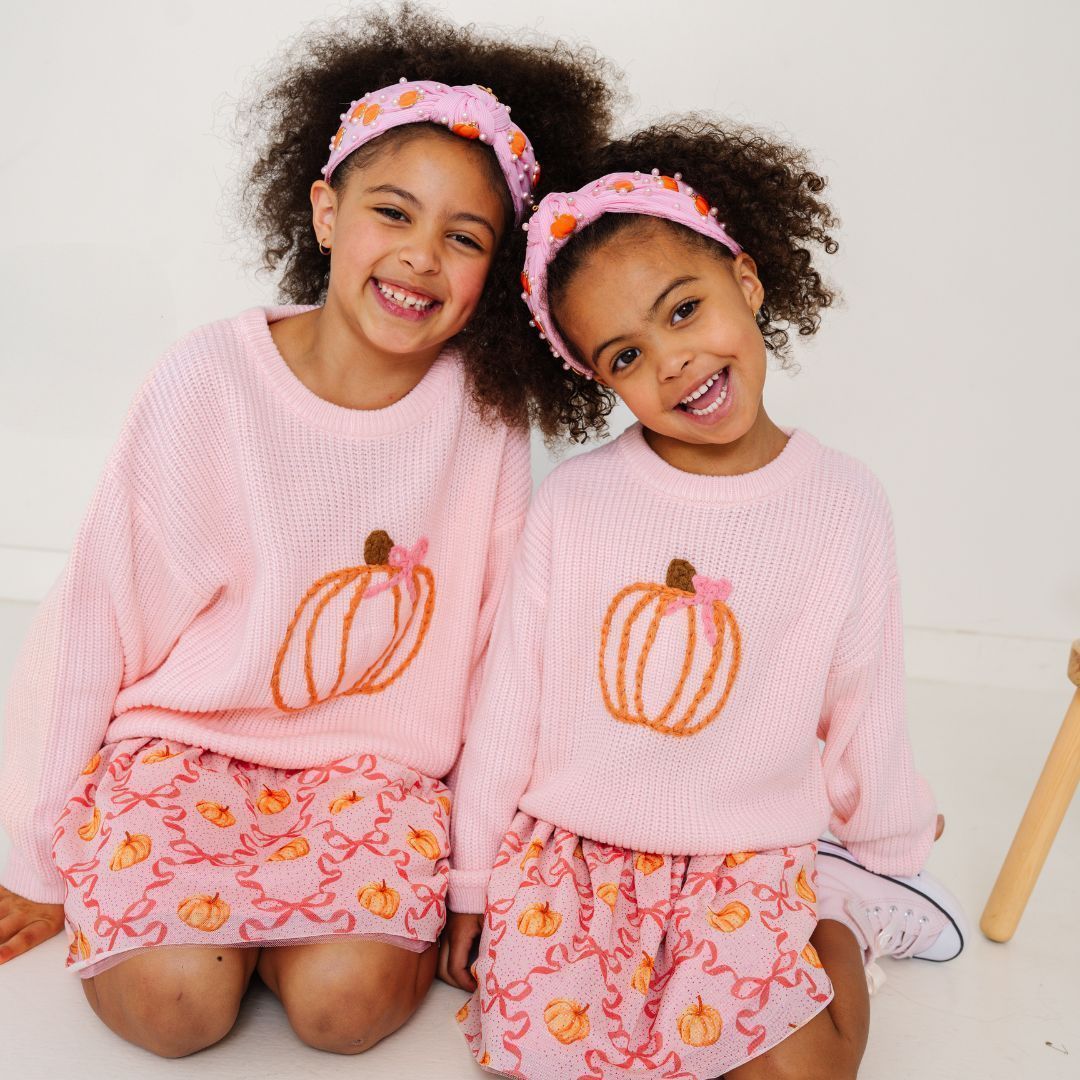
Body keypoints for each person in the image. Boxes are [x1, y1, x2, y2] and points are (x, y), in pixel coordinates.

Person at [0, 7, 620, 1059]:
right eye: (392, 212)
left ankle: (292, 939)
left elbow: (497, 657)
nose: (421, 257)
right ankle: (219, 936)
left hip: (373, 777)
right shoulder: (210, 378)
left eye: (463, 238)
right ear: (326, 212)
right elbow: (97, 609)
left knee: (348, 1011)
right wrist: (30, 854)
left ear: (496, 271)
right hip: (185, 749)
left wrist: (476, 874)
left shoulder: (485, 417)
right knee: (172, 1010)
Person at [442, 118, 966, 1079]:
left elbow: (864, 699)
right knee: (549, 1059)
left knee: (799, 1073)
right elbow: (508, 704)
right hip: (579, 852)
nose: (672, 362)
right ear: (599, 382)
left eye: (683, 310)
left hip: (747, 850)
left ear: (749, 282)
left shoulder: (843, 501)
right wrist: (473, 879)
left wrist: (890, 846)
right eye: (625, 358)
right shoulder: (580, 502)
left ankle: (841, 917)